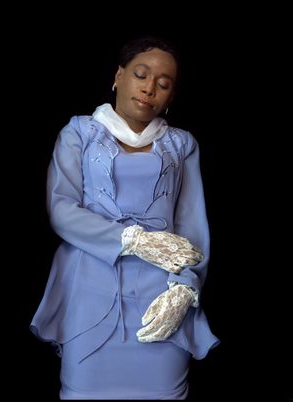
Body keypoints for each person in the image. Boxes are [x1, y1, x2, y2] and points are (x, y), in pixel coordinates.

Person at [30, 36, 220, 400]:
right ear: (119, 76)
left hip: (159, 298)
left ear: (171, 96)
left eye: (163, 84)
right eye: (141, 75)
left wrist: (185, 287)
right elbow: (62, 209)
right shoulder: (79, 132)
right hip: (89, 286)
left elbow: (193, 228)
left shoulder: (181, 145)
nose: (150, 88)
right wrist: (132, 239)